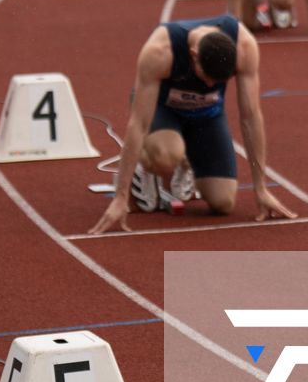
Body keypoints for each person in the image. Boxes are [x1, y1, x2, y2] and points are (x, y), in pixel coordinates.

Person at [88, 14, 296, 233]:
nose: (209, 84)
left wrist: (261, 188)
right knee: (166, 156)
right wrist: (120, 196)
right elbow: (138, 123)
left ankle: (187, 160)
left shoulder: (245, 46)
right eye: (207, 78)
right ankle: (146, 168)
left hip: (207, 116)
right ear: (193, 55)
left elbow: (251, 118)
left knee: (223, 203)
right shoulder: (160, 51)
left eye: (219, 82)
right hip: (163, 110)